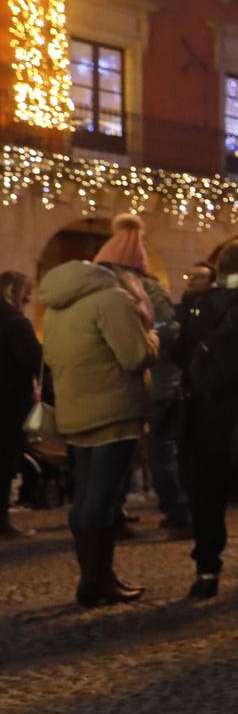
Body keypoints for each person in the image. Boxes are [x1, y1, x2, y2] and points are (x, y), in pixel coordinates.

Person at [36, 257, 156, 604]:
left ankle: (93, 579)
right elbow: (134, 356)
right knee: (101, 500)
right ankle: (97, 582)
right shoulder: (112, 300)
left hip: (76, 409)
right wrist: (153, 338)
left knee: (87, 495)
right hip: (113, 411)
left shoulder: (58, 307)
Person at [174, 237, 238, 597]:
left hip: (206, 413)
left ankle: (206, 571)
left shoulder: (196, 306)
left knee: (207, 497)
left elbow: (179, 355)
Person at [94, 212, 191, 533]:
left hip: (111, 383)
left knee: (117, 448)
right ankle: (177, 512)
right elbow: (171, 332)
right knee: (160, 449)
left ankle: (112, 513)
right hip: (156, 380)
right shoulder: (147, 289)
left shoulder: (94, 290)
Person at [0, 270, 41, 538]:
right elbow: (31, 360)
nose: (29, 298)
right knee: (4, 462)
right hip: (8, 402)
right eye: (27, 291)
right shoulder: (17, 323)